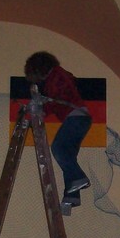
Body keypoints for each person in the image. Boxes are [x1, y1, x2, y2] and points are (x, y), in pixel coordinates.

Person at [24, 51, 92, 215]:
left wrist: (42, 103)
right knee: (68, 158)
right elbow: (55, 102)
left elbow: (57, 97)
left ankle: (79, 178)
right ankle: (71, 198)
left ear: (39, 69)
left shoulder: (56, 75)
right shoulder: (56, 77)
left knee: (58, 148)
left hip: (76, 116)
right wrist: (42, 107)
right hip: (79, 117)